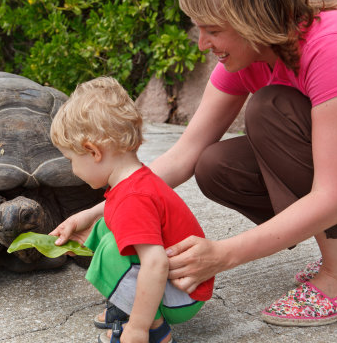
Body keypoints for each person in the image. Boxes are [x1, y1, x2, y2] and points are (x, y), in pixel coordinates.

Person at [53, 0, 337, 328]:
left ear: (252, 19)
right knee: (216, 164)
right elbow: (186, 153)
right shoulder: (248, 58)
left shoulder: (331, 51)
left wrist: (225, 253)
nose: (204, 44)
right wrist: (98, 213)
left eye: (212, 30)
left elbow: (335, 194)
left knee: (270, 110)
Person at [49, 76, 214, 343]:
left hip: (182, 294)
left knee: (110, 251)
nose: (72, 170)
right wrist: (85, 216)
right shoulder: (135, 180)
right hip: (186, 283)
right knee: (105, 226)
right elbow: (110, 212)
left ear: (93, 152)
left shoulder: (133, 198)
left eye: (71, 159)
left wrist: (138, 328)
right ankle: (130, 306)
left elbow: (156, 263)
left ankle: (153, 328)